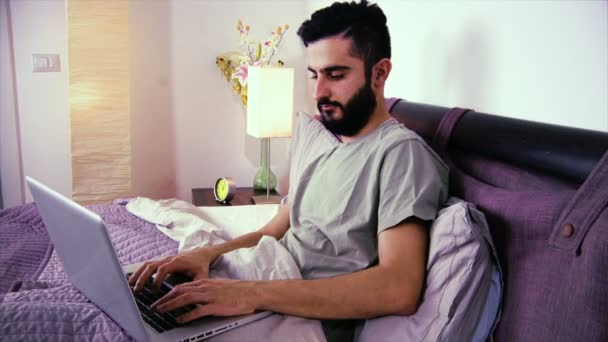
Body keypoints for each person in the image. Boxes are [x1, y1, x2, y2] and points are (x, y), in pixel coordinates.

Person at [129, 1, 448, 340]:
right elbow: (274, 229)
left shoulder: (400, 154)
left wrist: (247, 294)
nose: (319, 93)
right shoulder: (327, 142)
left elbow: (397, 287)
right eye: (314, 75)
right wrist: (207, 255)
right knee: (139, 302)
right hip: (264, 277)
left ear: (380, 73)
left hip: (299, 314)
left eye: (336, 75)